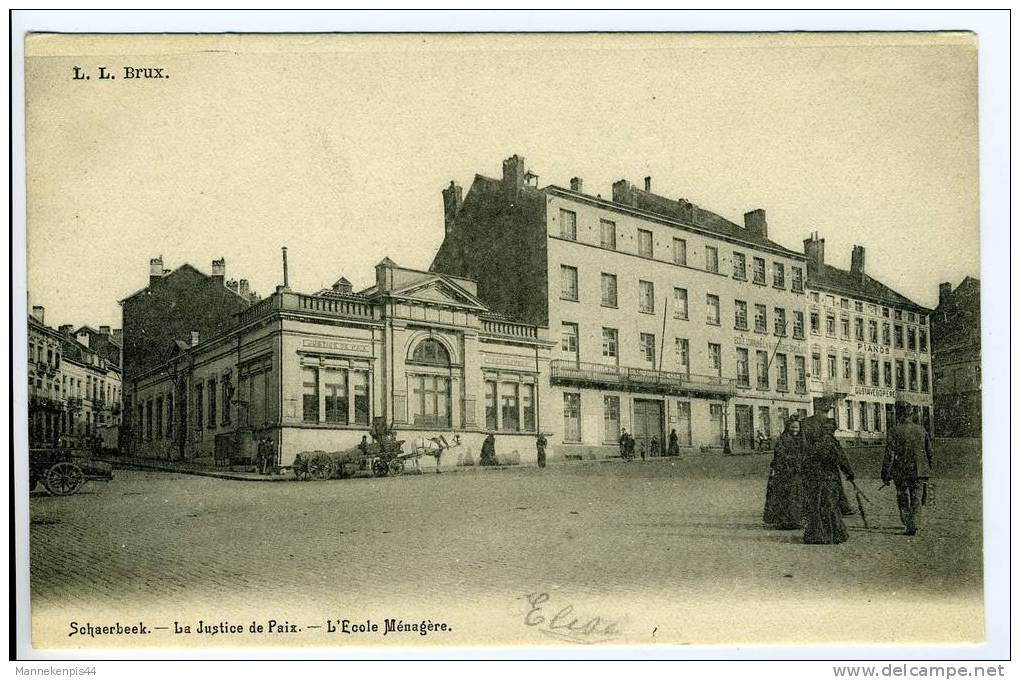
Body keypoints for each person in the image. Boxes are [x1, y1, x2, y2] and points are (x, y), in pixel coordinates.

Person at [882, 403, 933, 536]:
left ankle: (907, 522)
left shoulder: (894, 431)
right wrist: (928, 469)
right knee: (916, 497)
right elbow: (929, 452)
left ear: (898, 415)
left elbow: (889, 455)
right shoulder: (921, 430)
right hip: (919, 471)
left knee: (902, 496)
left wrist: (885, 474)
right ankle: (914, 524)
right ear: (911, 414)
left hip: (901, 471)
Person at [802, 418, 856, 545]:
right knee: (830, 505)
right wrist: (849, 474)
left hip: (815, 479)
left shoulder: (813, 443)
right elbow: (842, 460)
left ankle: (817, 535)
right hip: (829, 479)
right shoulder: (833, 443)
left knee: (817, 505)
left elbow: (805, 462)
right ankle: (833, 535)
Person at [763, 416, 805, 529]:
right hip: (786, 472)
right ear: (788, 427)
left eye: (797, 428)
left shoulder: (800, 440)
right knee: (787, 496)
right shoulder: (784, 440)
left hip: (795, 472)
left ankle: (794, 520)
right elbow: (780, 456)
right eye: (793, 427)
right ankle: (787, 521)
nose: (795, 430)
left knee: (795, 496)